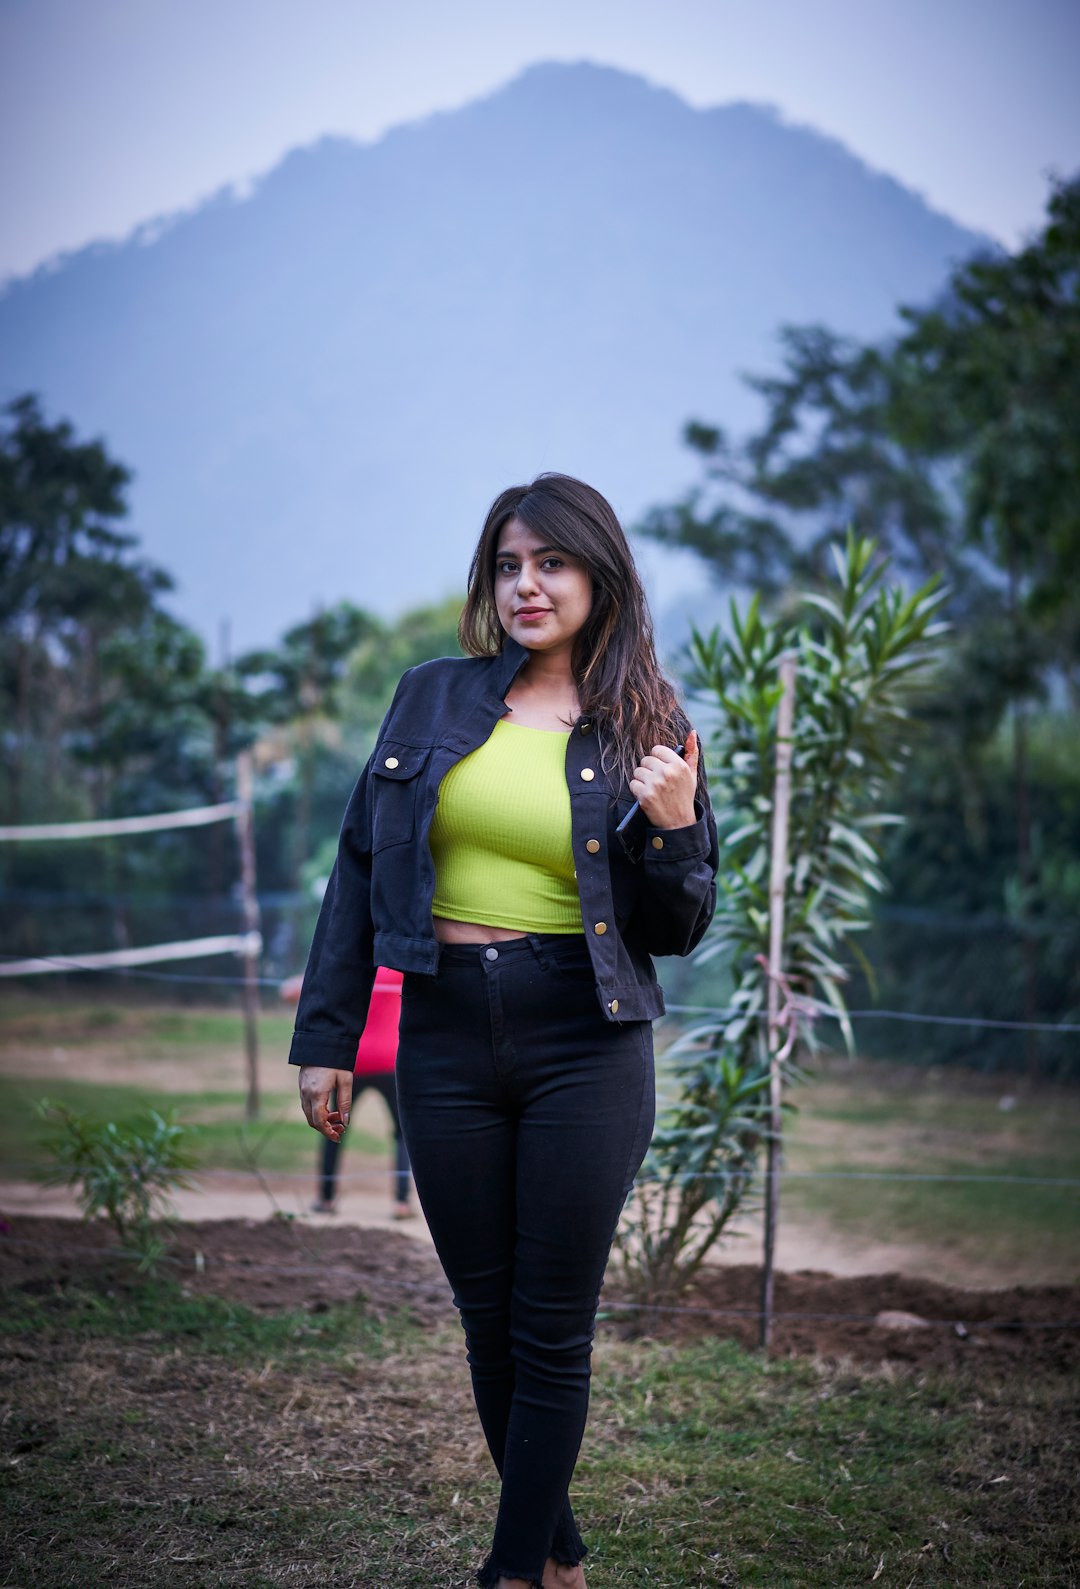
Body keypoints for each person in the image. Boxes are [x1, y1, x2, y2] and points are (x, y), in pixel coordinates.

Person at [289, 474, 718, 1589]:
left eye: (551, 563)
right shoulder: (429, 696)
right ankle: (558, 1553)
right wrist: (326, 1034)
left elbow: (678, 926)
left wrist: (673, 830)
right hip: (440, 1029)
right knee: (488, 1320)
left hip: (586, 1033)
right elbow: (356, 869)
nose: (526, 585)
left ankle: (510, 1569)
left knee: (550, 1324)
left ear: (599, 575)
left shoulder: (651, 724)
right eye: (507, 564)